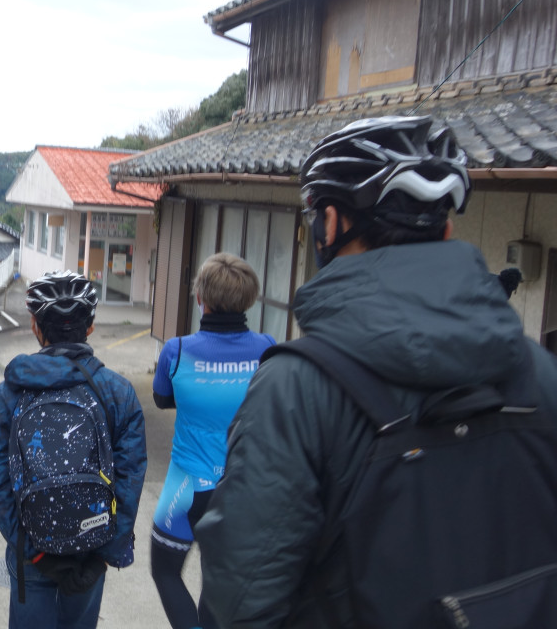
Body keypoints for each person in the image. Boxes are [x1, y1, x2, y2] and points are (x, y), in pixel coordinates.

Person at [195, 115, 557, 627]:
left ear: (330, 224)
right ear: (447, 229)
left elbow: (241, 604)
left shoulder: (297, 389)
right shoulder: (541, 373)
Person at [0, 270, 147, 629]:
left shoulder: (13, 391)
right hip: (91, 546)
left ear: (35, 326)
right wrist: (104, 552)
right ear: (90, 327)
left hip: (31, 548)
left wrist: (27, 545)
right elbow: (130, 478)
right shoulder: (117, 392)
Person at [149, 253, 274, 629]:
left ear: (200, 296)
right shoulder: (267, 347)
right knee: (221, 584)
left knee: (166, 572)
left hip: (187, 488)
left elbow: (162, 398)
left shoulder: (178, 350)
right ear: (249, 298)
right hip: (245, 490)